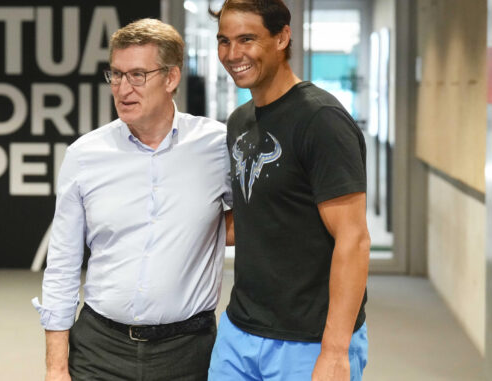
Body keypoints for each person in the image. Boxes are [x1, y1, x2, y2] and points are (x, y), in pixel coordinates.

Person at [32, 18, 232, 381]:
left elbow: (256, 221)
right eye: (116, 75)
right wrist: (56, 367)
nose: (124, 88)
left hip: (188, 352)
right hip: (99, 350)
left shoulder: (218, 147)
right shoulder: (85, 155)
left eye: (138, 75)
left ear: (171, 78)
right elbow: (62, 265)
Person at [208, 1, 370, 380]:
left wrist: (334, 351)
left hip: (308, 340)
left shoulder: (320, 120)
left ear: (282, 36)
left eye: (247, 39)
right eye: (224, 41)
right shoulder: (239, 122)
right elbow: (256, 217)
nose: (233, 54)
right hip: (240, 331)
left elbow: (354, 239)